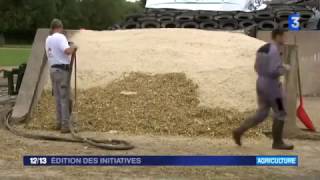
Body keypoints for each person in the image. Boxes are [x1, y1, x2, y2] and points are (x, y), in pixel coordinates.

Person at [232, 29, 294, 150]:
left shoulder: (262, 48)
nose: (285, 39)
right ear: (278, 36)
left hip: (260, 83)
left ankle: (239, 131)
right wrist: (285, 68)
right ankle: (278, 142)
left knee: (262, 113)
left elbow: (255, 67)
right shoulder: (275, 50)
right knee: (281, 111)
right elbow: (274, 70)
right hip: (273, 86)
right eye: (284, 36)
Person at [45, 18, 78, 133]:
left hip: (53, 70)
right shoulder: (61, 37)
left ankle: (58, 122)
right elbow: (67, 51)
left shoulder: (48, 39)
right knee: (64, 98)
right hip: (62, 70)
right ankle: (65, 125)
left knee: (58, 98)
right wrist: (73, 48)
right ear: (60, 27)